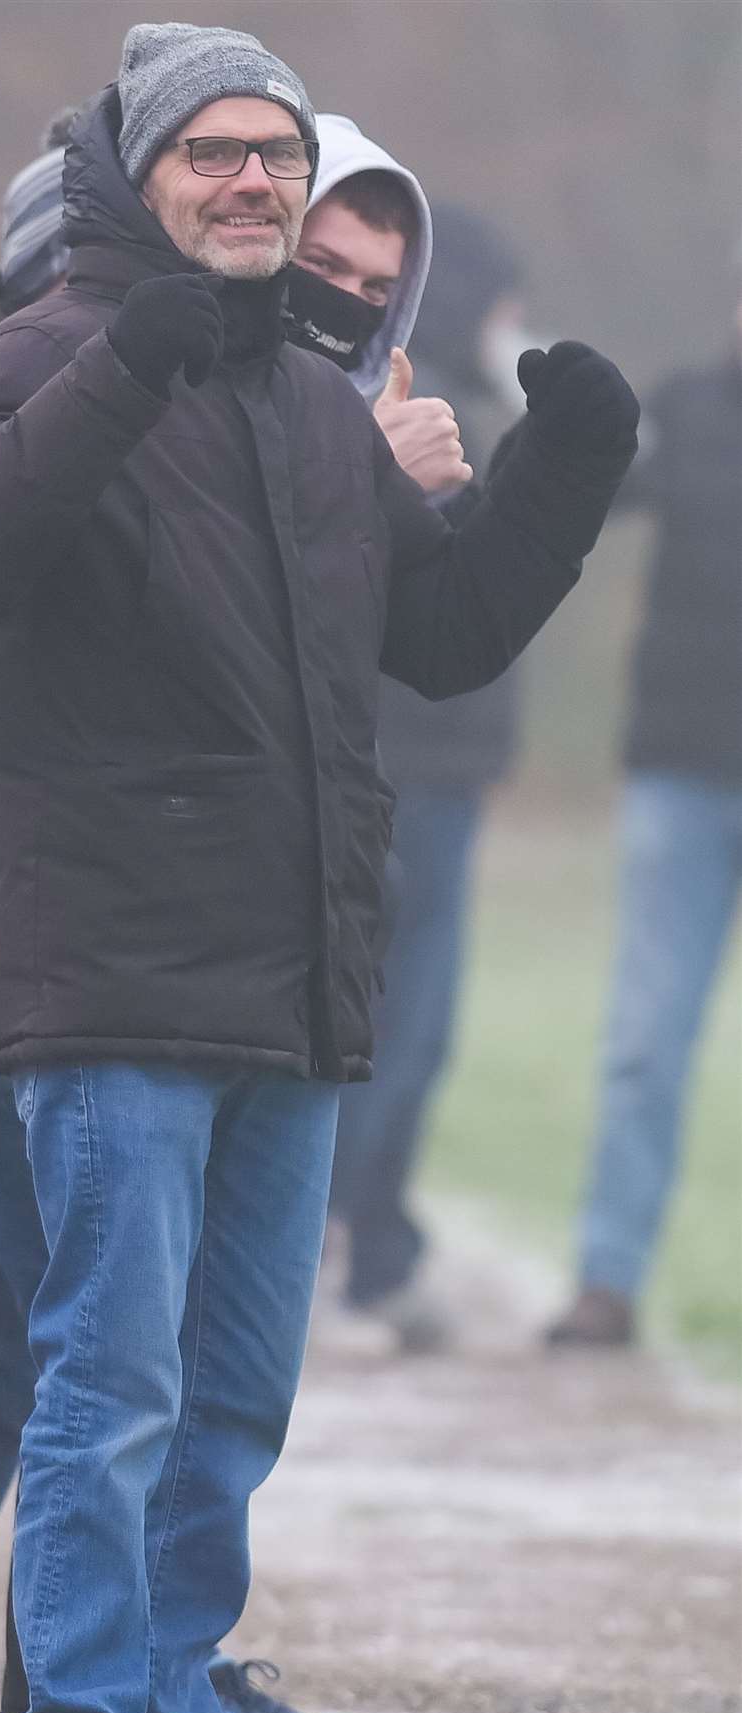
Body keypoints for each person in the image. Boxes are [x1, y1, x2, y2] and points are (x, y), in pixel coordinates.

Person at [0, 24, 638, 1713]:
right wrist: (132, 360)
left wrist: (561, 471)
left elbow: (445, 632)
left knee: (228, 1409)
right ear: (142, 177)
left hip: (290, 985)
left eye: (276, 159)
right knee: (110, 1393)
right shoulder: (50, 351)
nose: (253, 185)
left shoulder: (314, 398)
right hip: (117, 976)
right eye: (215, 155)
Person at [0, 115, 384, 1713]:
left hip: (43, 954)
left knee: (30, 1330)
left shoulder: (134, 405)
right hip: (0, 965)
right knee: (100, 1349)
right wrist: (76, 903)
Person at [320, 190, 536, 1346]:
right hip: (418, 754)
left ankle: (376, 1240)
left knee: (412, 1021)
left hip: (442, 754)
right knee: (394, 1018)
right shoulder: (430, 409)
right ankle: (343, 1249)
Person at [547, 307, 742, 1346]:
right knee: (644, 1042)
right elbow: (597, 493)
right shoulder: (684, 410)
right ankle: (607, 1281)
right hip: (682, 770)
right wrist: (562, 418)